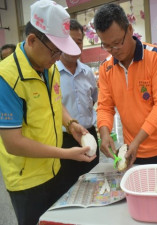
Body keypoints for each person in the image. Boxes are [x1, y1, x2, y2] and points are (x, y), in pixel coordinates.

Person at [0, 1, 96, 224]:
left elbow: (55, 103)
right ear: (32, 40)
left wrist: (71, 123)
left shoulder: (48, 66)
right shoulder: (7, 79)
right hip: (27, 181)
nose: (57, 58)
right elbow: (13, 143)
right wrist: (66, 153)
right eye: (55, 51)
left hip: (54, 168)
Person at [94, 3, 157, 168]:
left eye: (117, 42)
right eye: (106, 45)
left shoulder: (156, 57)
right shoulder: (105, 68)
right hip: (132, 152)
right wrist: (104, 133)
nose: (113, 50)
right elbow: (105, 106)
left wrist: (137, 141)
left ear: (130, 30)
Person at [57, 19, 99, 189]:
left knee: (94, 183)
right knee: (69, 186)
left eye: (79, 41)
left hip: (89, 135)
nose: (76, 46)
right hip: (65, 139)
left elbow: (95, 98)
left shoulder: (87, 72)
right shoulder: (52, 72)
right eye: (70, 41)